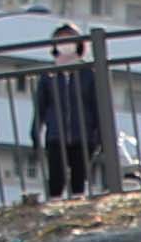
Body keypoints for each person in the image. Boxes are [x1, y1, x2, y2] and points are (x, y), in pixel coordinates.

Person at [33, 24, 113, 200]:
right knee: (56, 177)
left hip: (84, 134)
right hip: (56, 135)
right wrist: (35, 131)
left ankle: (77, 205)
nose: (65, 43)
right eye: (60, 40)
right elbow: (41, 105)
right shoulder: (48, 75)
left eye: (69, 38)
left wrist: (100, 134)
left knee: (79, 178)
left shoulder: (88, 73)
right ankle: (54, 206)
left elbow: (97, 104)